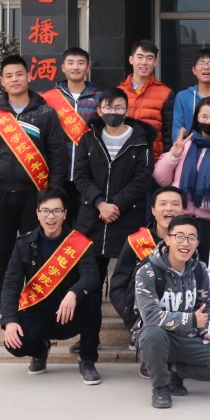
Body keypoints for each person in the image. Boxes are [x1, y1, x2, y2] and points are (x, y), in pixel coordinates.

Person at [0, 55, 68, 325]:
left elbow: (58, 155)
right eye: (9, 76)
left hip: (34, 195)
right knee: (2, 252)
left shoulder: (45, 113)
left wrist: (53, 193)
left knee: (36, 251)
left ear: (29, 77)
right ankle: (1, 305)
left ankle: (34, 303)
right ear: (2, 81)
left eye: (19, 74)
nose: (15, 79)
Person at [0, 188, 102, 384]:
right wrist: (9, 320)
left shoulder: (79, 242)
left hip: (69, 312)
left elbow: (92, 277)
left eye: (56, 211)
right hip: (38, 311)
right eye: (45, 211)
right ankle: (40, 350)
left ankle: (87, 359)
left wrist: (74, 293)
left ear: (65, 214)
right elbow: (11, 284)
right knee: (14, 343)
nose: (51, 217)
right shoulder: (24, 244)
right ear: (37, 213)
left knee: (92, 301)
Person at [135, 215, 210, 409]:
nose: (185, 243)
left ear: (197, 243)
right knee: (152, 334)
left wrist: (204, 330)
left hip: (189, 340)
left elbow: (206, 303)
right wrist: (191, 320)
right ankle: (161, 388)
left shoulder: (199, 270)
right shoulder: (147, 272)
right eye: (179, 237)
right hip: (160, 338)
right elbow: (150, 315)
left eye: (192, 238)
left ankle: (175, 372)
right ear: (168, 239)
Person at [73, 88, 156, 292]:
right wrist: (100, 203)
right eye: (108, 108)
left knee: (128, 279)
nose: (113, 112)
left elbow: (142, 179)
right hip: (93, 216)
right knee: (90, 279)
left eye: (119, 108)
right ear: (99, 111)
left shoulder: (141, 141)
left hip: (128, 215)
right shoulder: (88, 140)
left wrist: (115, 205)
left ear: (127, 111)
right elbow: (81, 176)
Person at [108, 185, 185, 379]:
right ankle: (148, 350)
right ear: (153, 210)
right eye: (163, 204)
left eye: (175, 204)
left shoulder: (191, 241)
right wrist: (130, 316)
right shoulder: (136, 241)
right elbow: (118, 284)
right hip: (146, 310)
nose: (169, 208)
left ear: (183, 210)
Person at [153, 96, 210, 264]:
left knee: (205, 268)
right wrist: (174, 155)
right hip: (180, 219)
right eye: (203, 116)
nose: (208, 121)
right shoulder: (185, 145)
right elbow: (160, 178)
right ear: (196, 119)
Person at [40, 46, 100, 226]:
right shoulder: (49, 99)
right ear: (63, 68)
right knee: (59, 225)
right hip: (59, 174)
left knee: (86, 226)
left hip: (89, 174)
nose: (75, 67)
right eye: (71, 63)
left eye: (81, 63)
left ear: (88, 68)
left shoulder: (99, 98)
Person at [117, 39, 174, 161]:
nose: (144, 62)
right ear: (131, 60)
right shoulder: (119, 92)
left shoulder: (165, 92)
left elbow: (168, 134)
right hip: (123, 159)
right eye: (140, 57)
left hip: (154, 160)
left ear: (155, 62)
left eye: (149, 58)